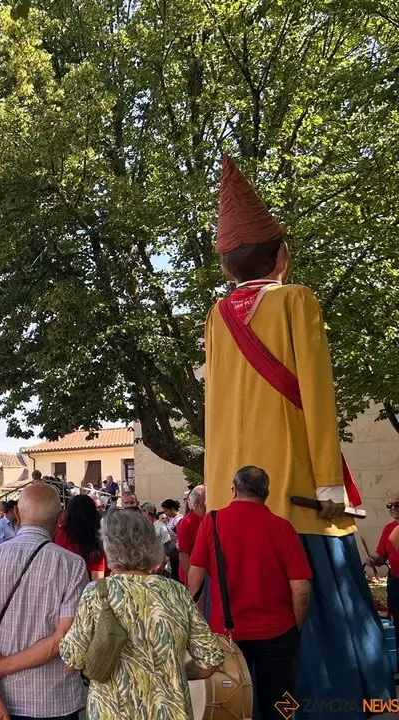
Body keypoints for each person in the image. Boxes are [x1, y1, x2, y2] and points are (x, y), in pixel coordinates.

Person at [203, 155, 392, 708]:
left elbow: (217, 412)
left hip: (229, 505)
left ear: (227, 268)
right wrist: (330, 486)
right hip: (298, 496)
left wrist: (218, 497)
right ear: (281, 254)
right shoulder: (296, 299)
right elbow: (318, 395)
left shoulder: (216, 317)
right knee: (329, 624)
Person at [60, 510, 224, 720]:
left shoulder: (96, 593)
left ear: (108, 547)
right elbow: (210, 660)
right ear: (151, 545)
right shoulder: (176, 592)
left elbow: (71, 660)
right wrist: (174, 670)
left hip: (113, 712)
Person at [187, 466, 311, 720]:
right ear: (267, 494)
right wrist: (295, 626)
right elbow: (301, 586)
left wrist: (200, 629)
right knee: (283, 702)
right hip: (278, 632)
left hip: (226, 633)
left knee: (228, 706)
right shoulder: (283, 527)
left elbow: (195, 581)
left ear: (233, 489)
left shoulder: (211, 522)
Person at [0, 483, 88, 720]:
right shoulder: (72, 565)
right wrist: (1, 667)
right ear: (59, 519)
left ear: (17, 515)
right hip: (54, 700)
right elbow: (63, 637)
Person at [55, 494, 107, 580]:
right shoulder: (96, 539)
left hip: (61, 582)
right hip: (87, 587)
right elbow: (98, 581)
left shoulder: (60, 535)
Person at [368, 492, 399, 624]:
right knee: (396, 616)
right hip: (396, 581)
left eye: (397, 505)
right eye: (389, 505)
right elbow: (380, 556)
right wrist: (373, 560)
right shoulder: (388, 528)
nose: (393, 508)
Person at [176, 485, 206, 584]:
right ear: (200, 503)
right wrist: (191, 578)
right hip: (192, 574)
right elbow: (183, 554)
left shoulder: (204, 519)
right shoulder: (187, 523)